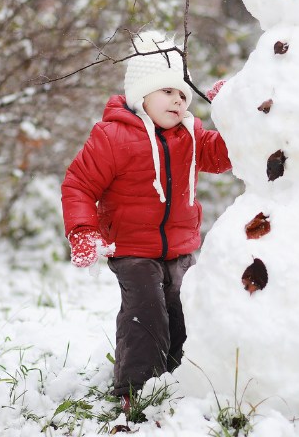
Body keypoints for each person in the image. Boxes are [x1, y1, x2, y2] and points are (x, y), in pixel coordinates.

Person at [60, 31, 232, 419]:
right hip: (131, 249)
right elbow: (78, 185)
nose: (177, 100)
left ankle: (175, 377)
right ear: (141, 95)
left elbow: (226, 155)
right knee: (147, 310)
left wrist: (234, 111)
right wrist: (83, 230)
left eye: (183, 94)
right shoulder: (112, 136)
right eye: (167, 91)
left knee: (182, 310)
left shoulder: (192, 135)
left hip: (180, 247)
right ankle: (135, 388)